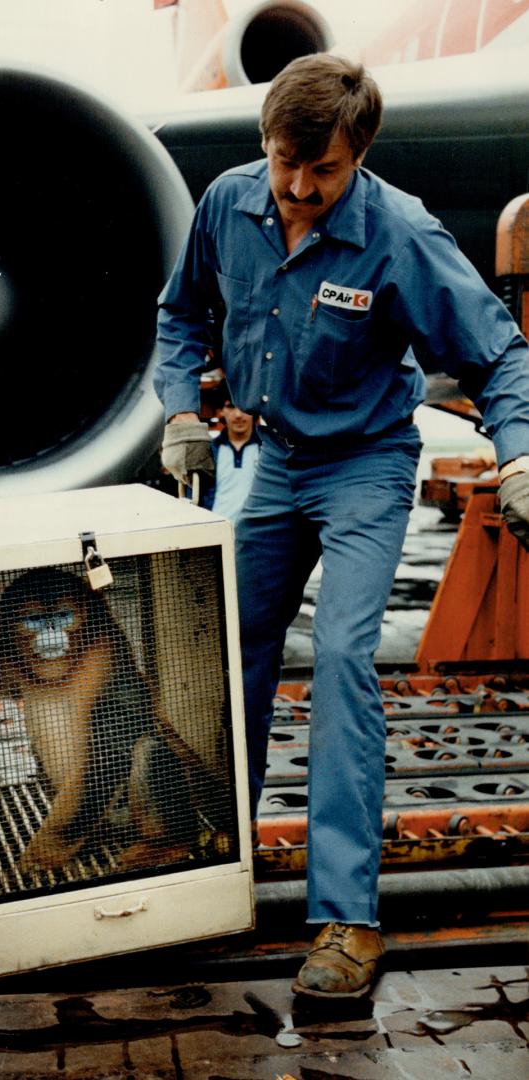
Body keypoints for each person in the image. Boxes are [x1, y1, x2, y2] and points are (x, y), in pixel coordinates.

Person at [156, 53, 529, 1001]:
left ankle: (346, 921)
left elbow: (499, 357)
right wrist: (180, 412)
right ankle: (208, 868)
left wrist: (518, 457)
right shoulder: (226, 206)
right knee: (223, 648)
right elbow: (177, 315)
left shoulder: (400, 234)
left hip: (365, 464)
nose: (296, 188)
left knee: (342, 662)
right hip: (272, 459)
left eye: (320, 172)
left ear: (357, 157)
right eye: (285, 162)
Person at [201, 391, 260, 528]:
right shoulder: (209, 450)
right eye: (231, 406)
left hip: (258, 534)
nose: (238, 414)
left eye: (244, 407)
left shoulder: (268, 449)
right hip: (217, 532)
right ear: (221, 411)